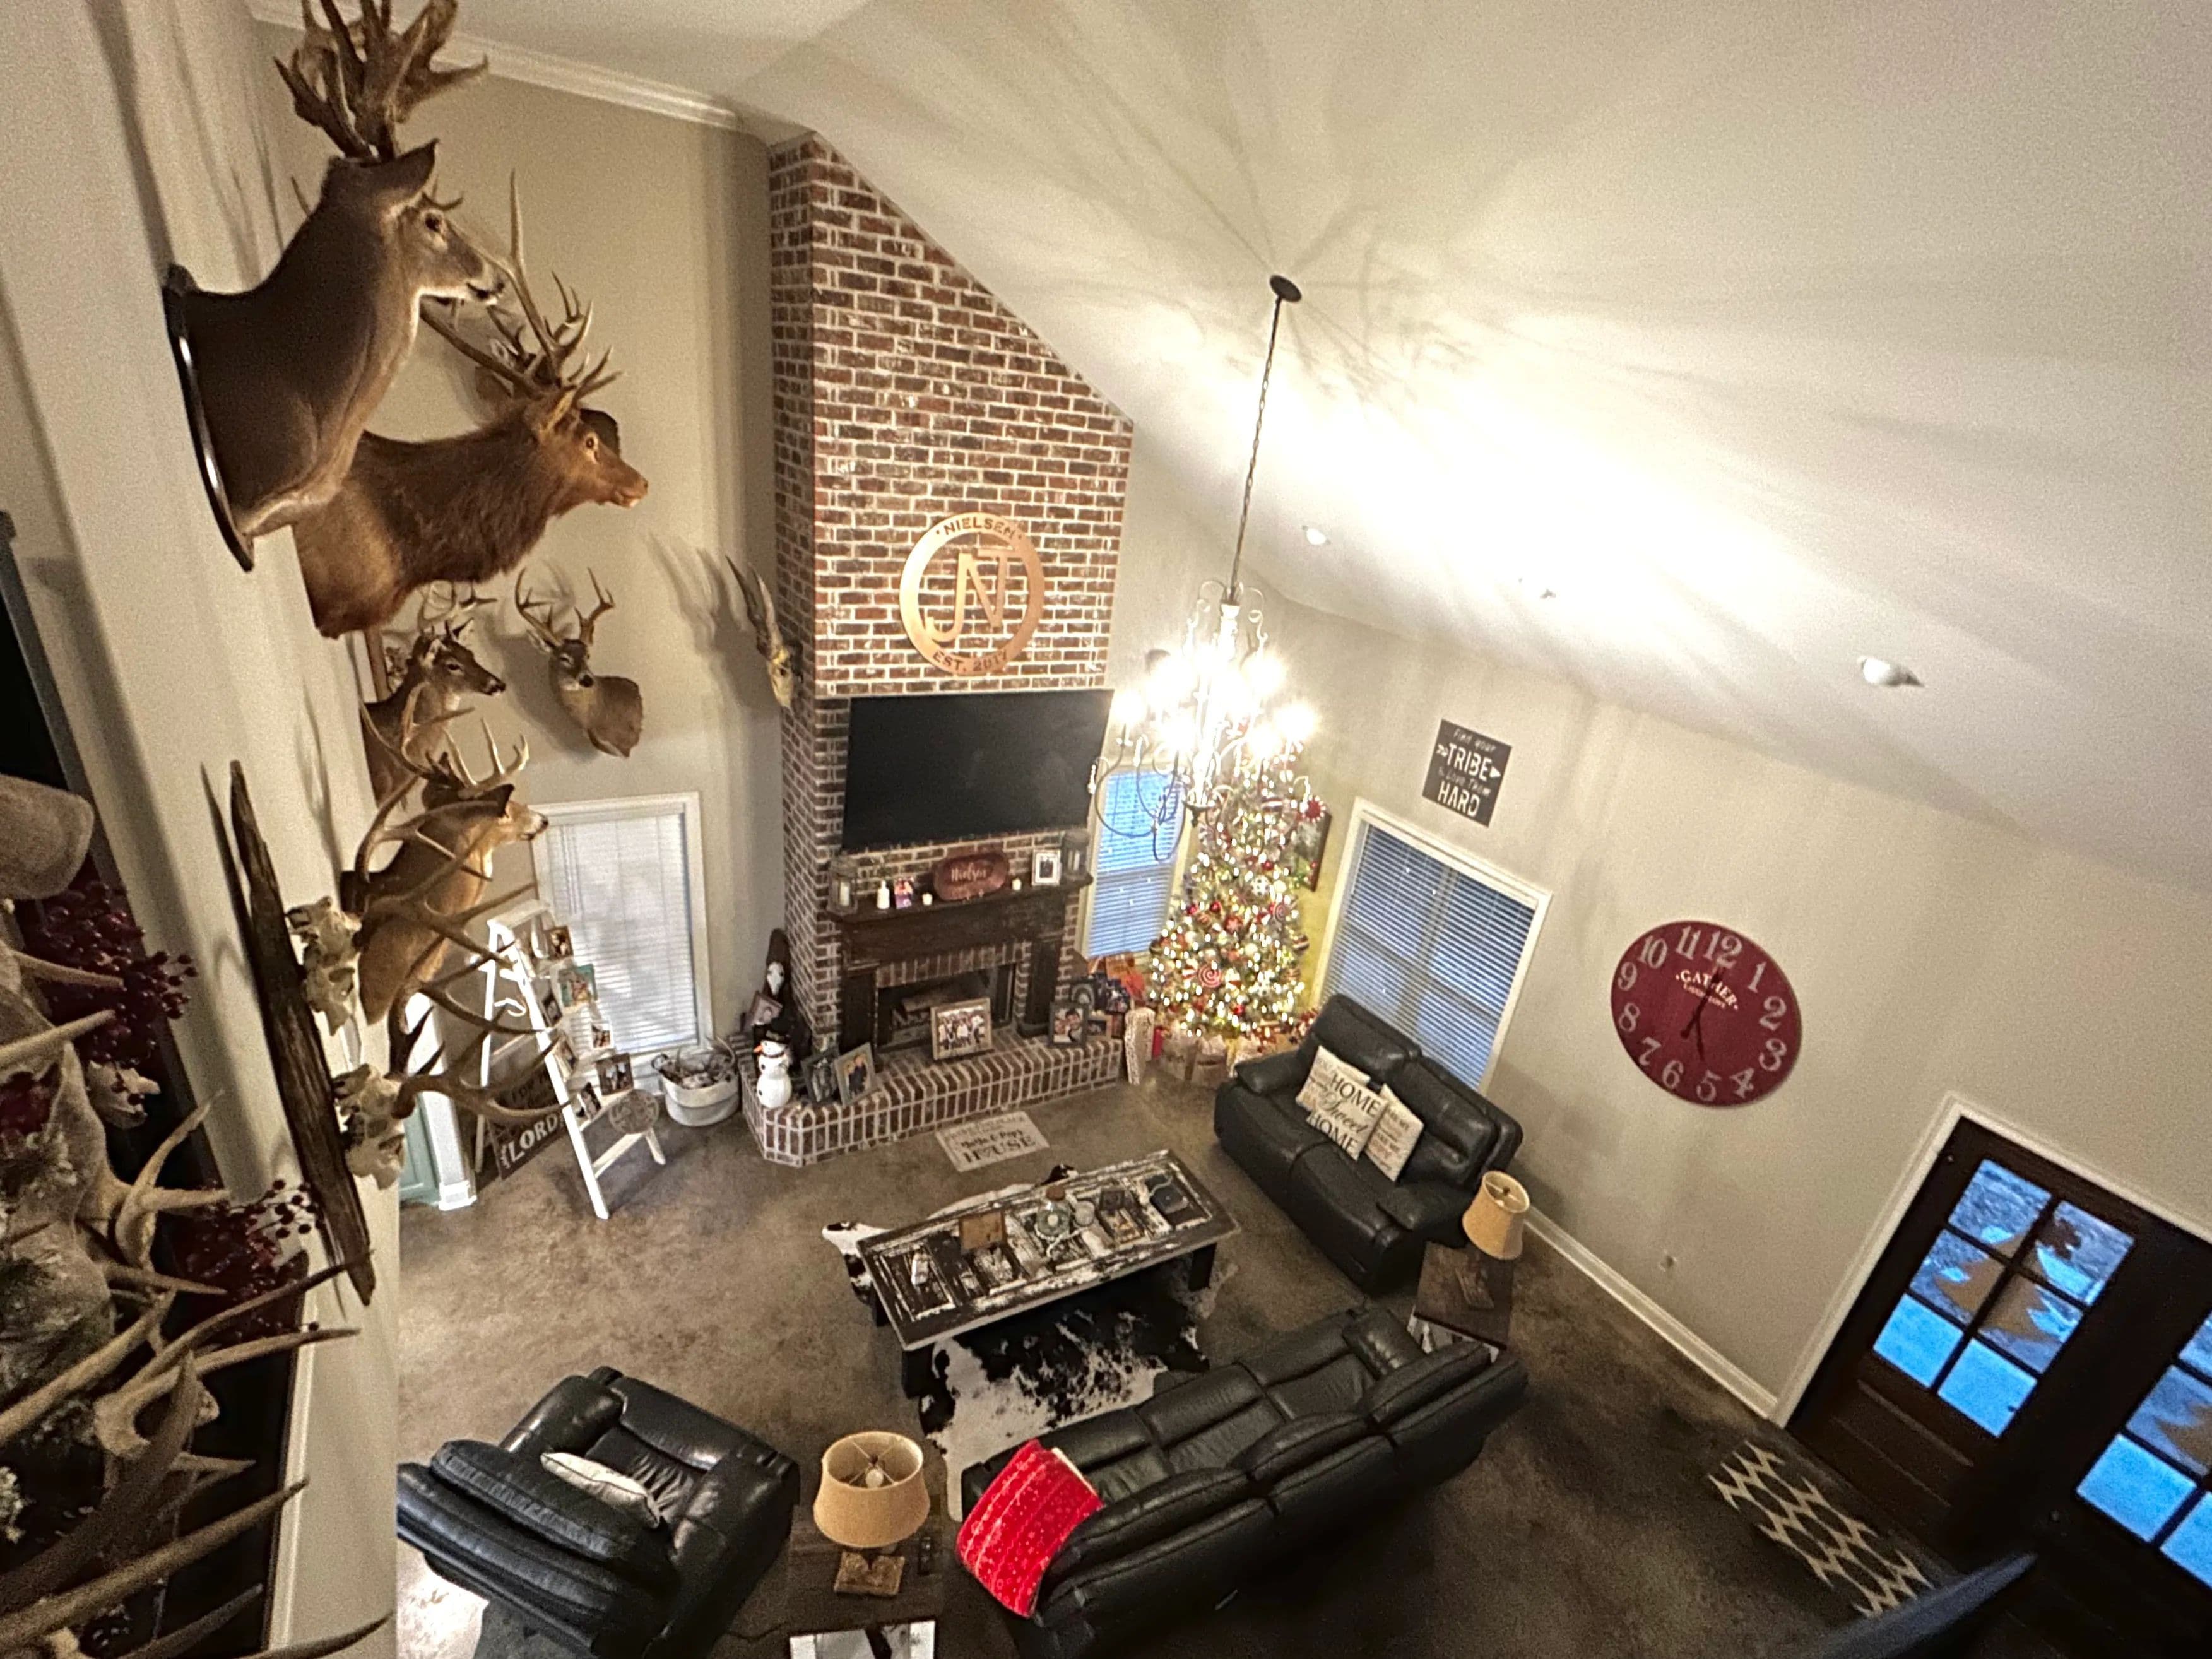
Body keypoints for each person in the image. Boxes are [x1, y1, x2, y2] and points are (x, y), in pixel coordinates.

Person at [748, 927, 815, 1060]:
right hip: (769, 1043)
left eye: (779, 975)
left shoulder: (787, 1000)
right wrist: (760, 1022)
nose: (774, 980)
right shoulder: (767, 993)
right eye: (770, 973)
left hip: (782, 1043)